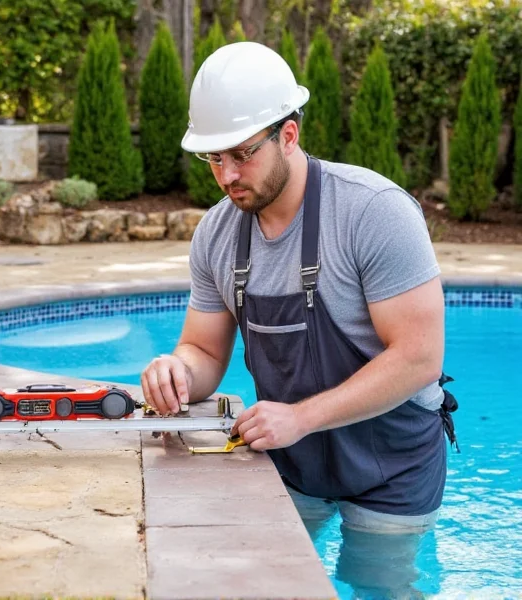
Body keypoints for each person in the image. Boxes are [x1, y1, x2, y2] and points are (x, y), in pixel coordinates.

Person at [140, 41, 458, 596]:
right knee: (262, 581)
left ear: (288, 135)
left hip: (392, 465)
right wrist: (177, 372)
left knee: (374, 583)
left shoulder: (373, 211)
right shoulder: (216, 233)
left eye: (241, 154)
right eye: (213, 158)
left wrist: (302, 417)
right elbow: (205, 351)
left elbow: (418, 358)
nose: (226, 175)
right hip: (294, 459)